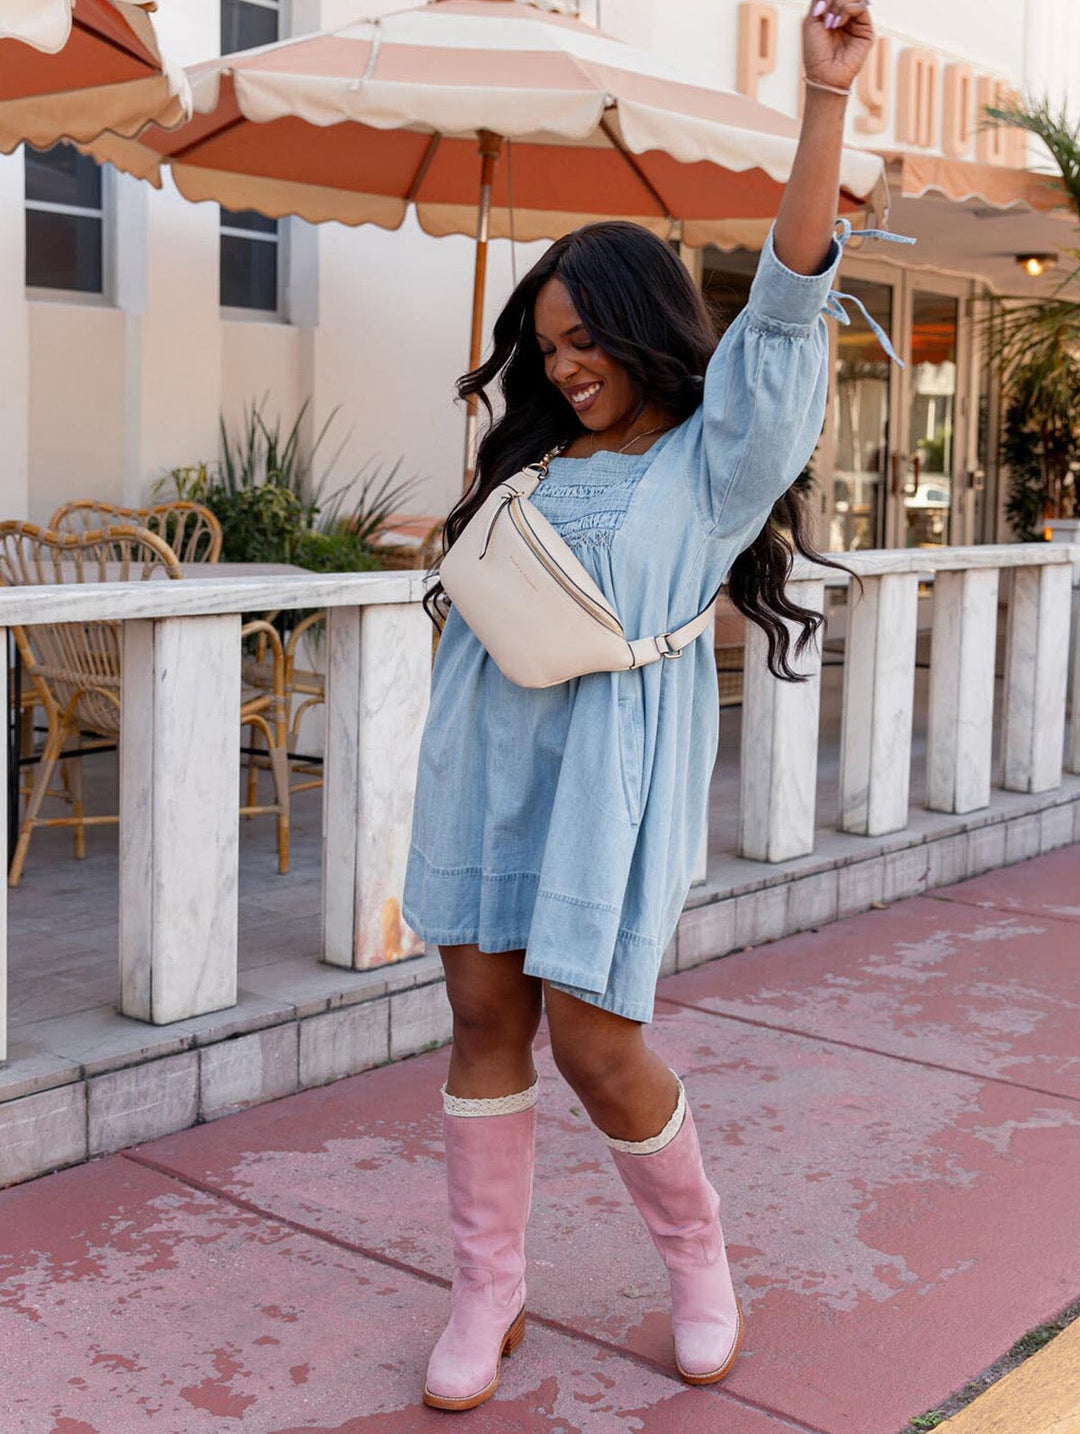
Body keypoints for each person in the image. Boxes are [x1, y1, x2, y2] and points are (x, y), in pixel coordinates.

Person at [403, 0, 879, 1412]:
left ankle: (697, 1259)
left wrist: (822, 103)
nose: (563, 368)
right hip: (481, 749)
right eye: (545, 349)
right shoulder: (539, 454)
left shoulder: (719, 456)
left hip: (612, 764)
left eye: (582, 342)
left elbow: (785, 302)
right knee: (481, 1014)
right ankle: (488, 1289)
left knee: (598, 1040)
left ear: (637, 325)